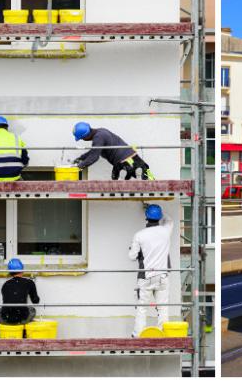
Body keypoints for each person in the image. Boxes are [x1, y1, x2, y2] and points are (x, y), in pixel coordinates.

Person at [129, 204, 173, 336]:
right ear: (159, 217)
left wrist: (133, 250)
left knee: (142, 308)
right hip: (162, 275)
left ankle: (138, 334)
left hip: (146, 276)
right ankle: (163, 333)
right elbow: (170, 220)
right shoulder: (166, 230)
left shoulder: (139, 235)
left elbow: (132, 257)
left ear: (146, 217)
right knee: (163, 307)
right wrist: (157, 209)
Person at [72, 121, 154, 179]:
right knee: (149, 179)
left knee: (118, 186)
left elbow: (94, 156)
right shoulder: (101, 131)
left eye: (82, 138)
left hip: (123, 163)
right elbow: (94, 151)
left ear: (86, 136)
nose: (83, 140)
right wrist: (80, 159)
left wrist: (78, 168)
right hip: (133, 157)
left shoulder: (98, 138)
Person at [0, 258, 39, 335]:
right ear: (22, 270)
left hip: (6, 319)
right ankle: (24, 334)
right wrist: (32, 288)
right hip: (22, 318)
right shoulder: (29, 282)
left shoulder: (5, 284)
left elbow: (8, 300)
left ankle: (1, 334)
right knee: (32, 310)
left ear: (10, 272)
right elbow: (36, 301)